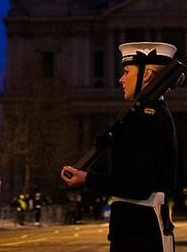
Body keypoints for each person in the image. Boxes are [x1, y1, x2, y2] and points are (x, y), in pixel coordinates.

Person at [61, 41, 179, 252]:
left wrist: (87, 178)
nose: (121, 79)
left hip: (142, 231)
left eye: (126, 72)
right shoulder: (142, 115)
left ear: (147, 74)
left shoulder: (149, 118)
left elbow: (136, 186)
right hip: (135, 228)